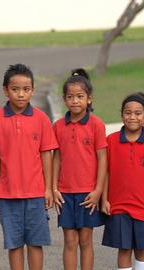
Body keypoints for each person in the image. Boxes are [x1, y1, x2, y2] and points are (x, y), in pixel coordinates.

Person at [0, 63, 58, 270]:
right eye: (15, 89)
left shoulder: (41, 119)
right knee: (14, 244)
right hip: (8, 195)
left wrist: (48, 188)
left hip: (36, 194)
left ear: (32, 90)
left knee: (35, 243)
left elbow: (46, 155)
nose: (21, 94)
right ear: (6, 90)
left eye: (26, 89)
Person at [101, 92, 144, 270]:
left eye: (138, 113)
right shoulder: (111, 141)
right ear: (122, 116)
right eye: (128, 112)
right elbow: (104, 172)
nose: (132, 117)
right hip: (118, 206)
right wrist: (104, 199)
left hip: (143, 207)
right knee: (124, 249)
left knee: (141, 248)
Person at [52, 68, 107, 270]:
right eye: (70, 97)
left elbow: (103, 159)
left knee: (85, 241)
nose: (75, 101)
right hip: (65, 192)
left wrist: (98, 191)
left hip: (88, 193)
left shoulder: (96, 125)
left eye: (80, 96)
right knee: (69, 241)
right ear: (65, 99)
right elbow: (56, 158)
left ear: (89, 99)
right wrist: (53, 188)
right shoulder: (57, 126)